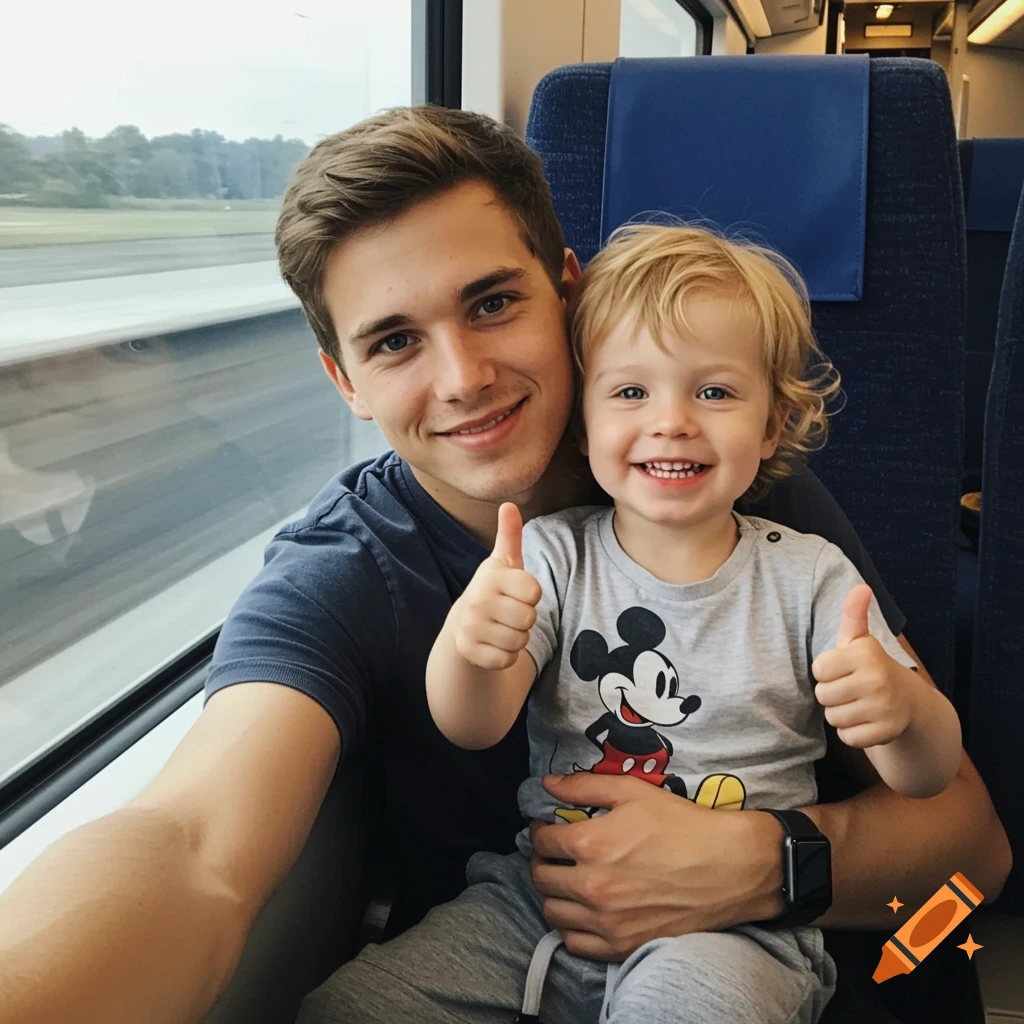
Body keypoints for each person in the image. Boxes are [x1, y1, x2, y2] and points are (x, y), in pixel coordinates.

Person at [0, 107, 1010, 1024]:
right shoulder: (342, 572)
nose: (464, 377)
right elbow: (187, 841)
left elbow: (974, 850)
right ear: (344, 382)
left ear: (566, 290)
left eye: (490, 304)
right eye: (395, 341)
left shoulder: (723, 489)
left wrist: (763, 863)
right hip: (514, 945)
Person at [299, 224, 965, 1024]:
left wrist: (900, 714)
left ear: (771, 426)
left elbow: (930, 777)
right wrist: (472, 648)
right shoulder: (551, 555)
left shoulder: (812, 576)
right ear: (584, 419)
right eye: (630, 392)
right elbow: (474, 724)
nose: (673, 421)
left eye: (714, 392)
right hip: (535, 904)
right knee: (352, 1008)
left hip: (735, 929)